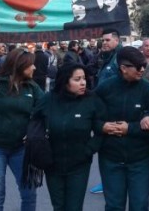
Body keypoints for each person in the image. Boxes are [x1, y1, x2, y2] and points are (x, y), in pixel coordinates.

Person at [0, 48, 46, 211]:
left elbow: (45, 112)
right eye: (31, 65)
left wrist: (34, 131)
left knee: (29, 194)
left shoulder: (33, 88)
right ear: (20, 65)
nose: (35, 68)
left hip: (22, 149)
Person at [95, 46, 149, 211]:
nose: (142, 70)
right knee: (114, 206)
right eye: (138, 67)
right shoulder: (105, 88)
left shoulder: (147, 89)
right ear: (123, 68)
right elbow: (91, 117)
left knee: (139, 205)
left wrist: (131, 128)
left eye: (143, 66)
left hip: (140, 160)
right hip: (111, 158)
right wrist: (102, 126)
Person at [41, 63, 106, 211]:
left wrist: (89, 149)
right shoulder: (48, 99)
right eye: (77, 79)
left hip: (79, 164)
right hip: (52, 164)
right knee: (58, 206)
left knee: (74, 207)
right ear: (65, 81)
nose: (83, 82)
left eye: (84, 78)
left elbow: (101, 128)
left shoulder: (91, 100)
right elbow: (35, 120)